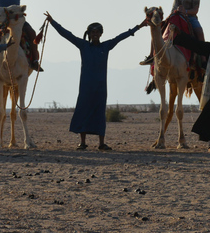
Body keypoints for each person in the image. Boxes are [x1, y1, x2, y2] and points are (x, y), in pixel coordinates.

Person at [45, 11, 146, 151]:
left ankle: (101, 143)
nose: (95, 34)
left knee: (99, 114)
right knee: (83, 111)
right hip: (86, 86)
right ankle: (82, 142)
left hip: (100, 87)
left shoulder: (106, 46)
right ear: (89, 34)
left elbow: (121, 37)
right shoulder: (83, 45)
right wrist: (52, 22)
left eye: (97, 32)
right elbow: (67, 35)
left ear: (101, 34)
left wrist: (138, 27)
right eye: (92, 32)